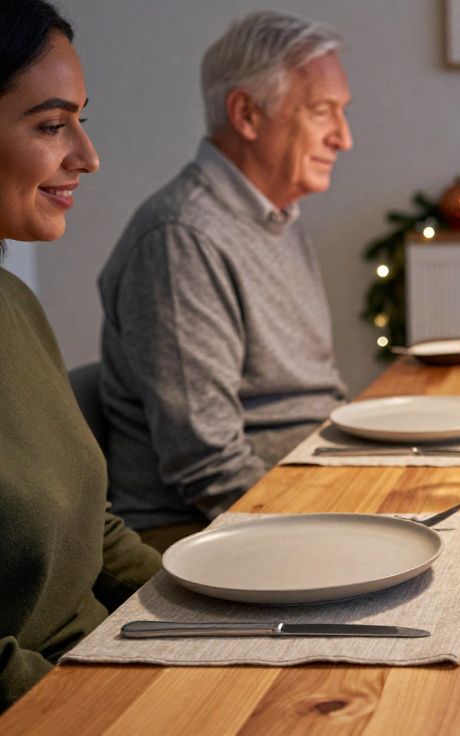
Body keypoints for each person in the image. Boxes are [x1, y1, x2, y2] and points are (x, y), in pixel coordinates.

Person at [98, 11, 351, 551]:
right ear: (246, 113)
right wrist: (328, 536)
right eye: (323, 111)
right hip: (205, 529)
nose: (344, 138)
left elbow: (311, 394)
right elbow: (207, 463)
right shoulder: (181, 236)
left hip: (303, 490)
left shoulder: (275, 215)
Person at [0, 0, 161, 710]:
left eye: (81, 121)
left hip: (103, 661)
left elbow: (91, 524)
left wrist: (212, 602)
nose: (87, 157)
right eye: (51, 125)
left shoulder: (14, 302)